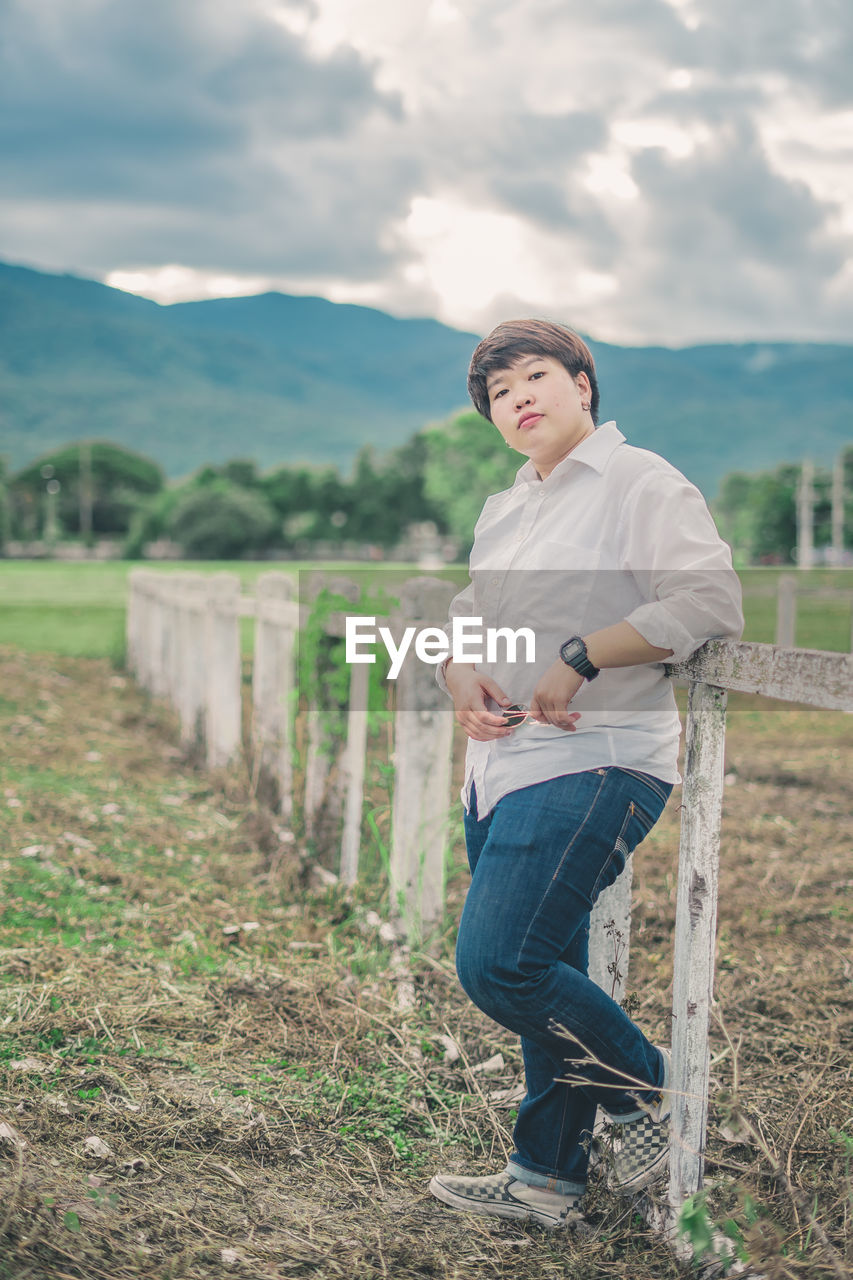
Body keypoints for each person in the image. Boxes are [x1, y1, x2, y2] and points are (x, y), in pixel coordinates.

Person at [428, 319, 743, 1231]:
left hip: (595, 759)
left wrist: (583, 655)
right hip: (499, 767)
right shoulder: (505, 508)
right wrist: (459, 675)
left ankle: (648, 1096)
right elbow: (465, 615)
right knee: (546, 971)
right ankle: (545, 1181)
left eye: (536, 376)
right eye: (498, 392)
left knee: (501, 965)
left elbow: (707, 599)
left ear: (582, 385)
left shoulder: (640, 481)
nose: (518, 397)